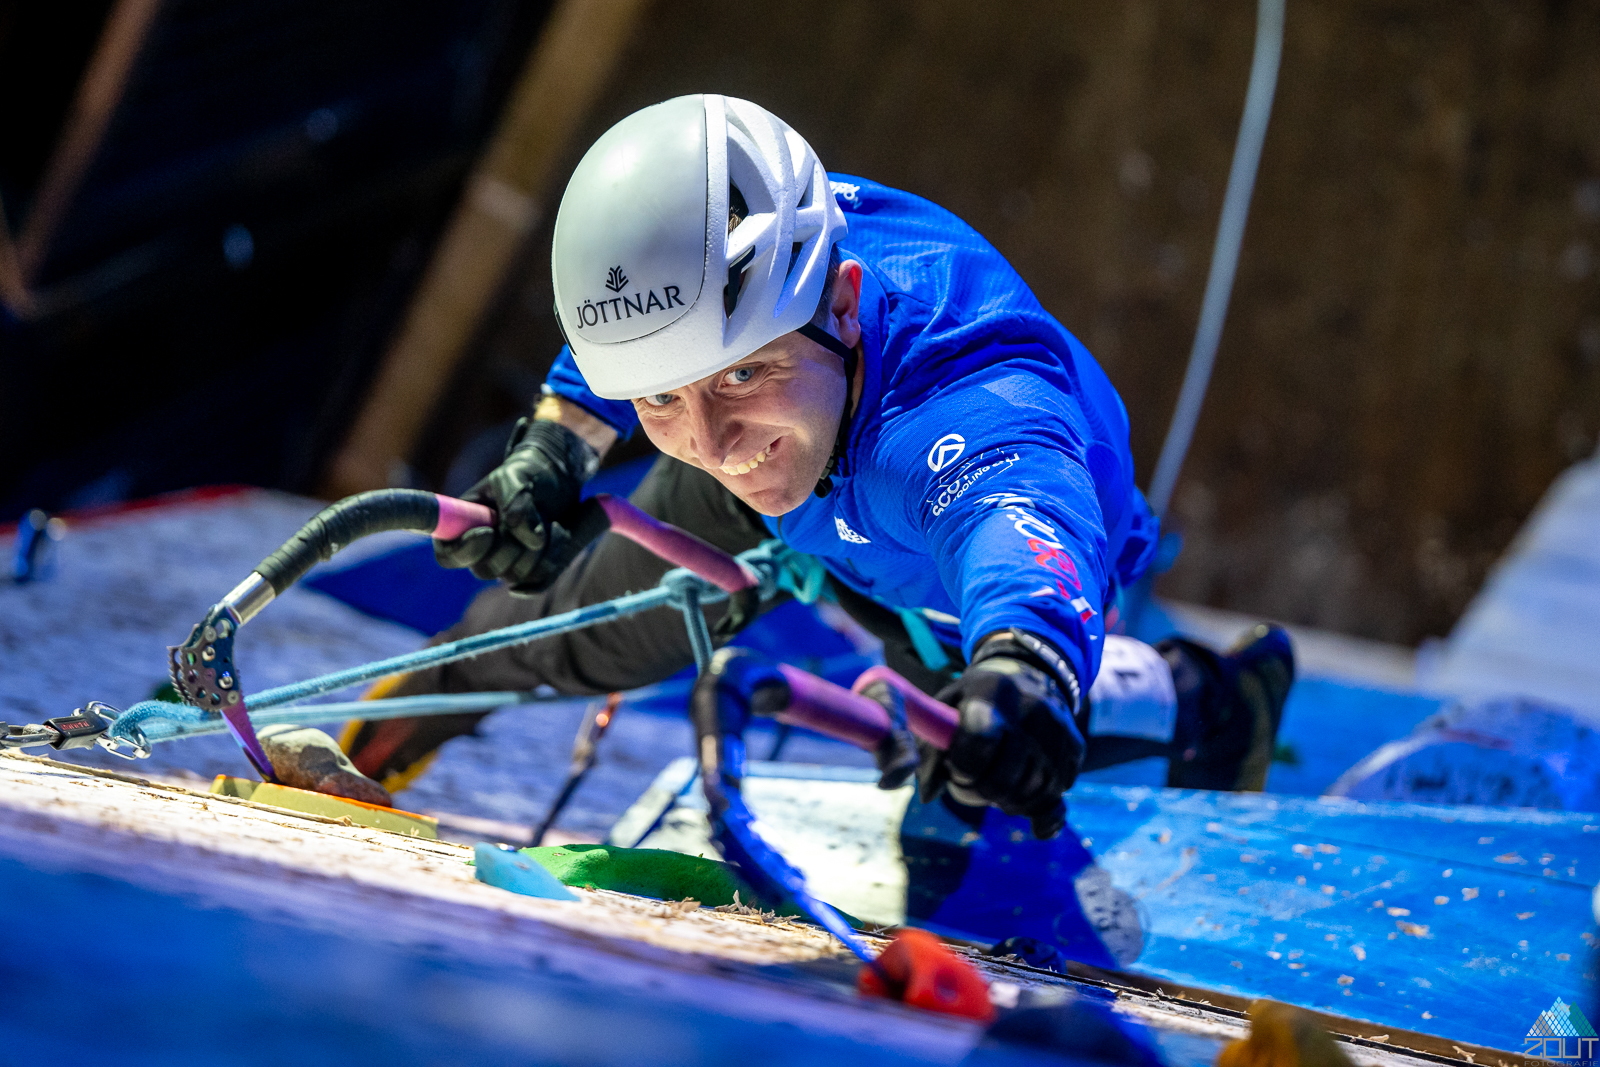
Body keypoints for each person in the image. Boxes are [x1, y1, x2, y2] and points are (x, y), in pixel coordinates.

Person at [343, 96, 1294, 951]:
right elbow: (641, 329)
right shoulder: (728, 290)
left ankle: (1212, 700)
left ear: (840, 300)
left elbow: (1020, 523)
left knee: (975, 794)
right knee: (601, 617)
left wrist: (1027, 667)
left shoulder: (965, 400)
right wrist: (554, 452)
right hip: (814, 441)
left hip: (944, 555)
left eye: (740, 374)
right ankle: (387, 728)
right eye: (662, 398)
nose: (709, 441)